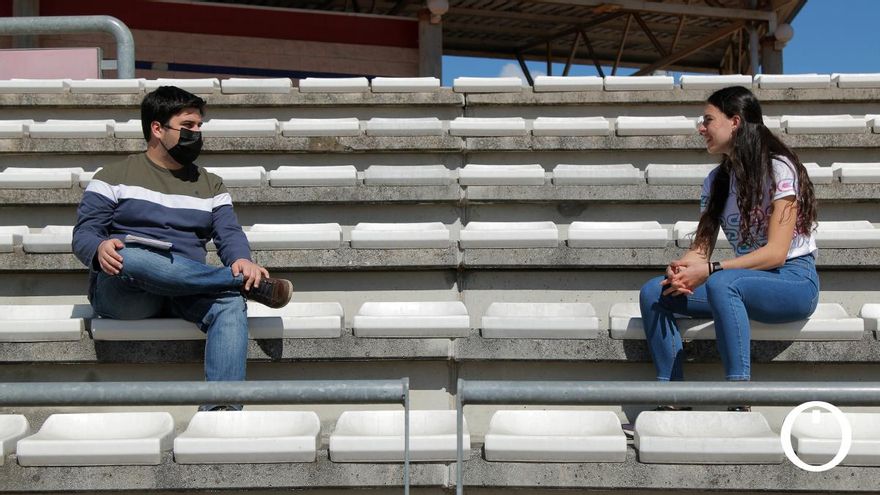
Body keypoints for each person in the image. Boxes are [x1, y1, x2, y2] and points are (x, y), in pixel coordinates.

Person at [73, 86, 293, 411]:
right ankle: (235, 283)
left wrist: (243, 260)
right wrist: (99, 247)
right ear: (157, 129)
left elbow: (228, 233)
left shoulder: (210, 184)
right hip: (127, 291)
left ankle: (221, 412)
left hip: (185, 289)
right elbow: (84, 234)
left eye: (199, 126)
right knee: (128, 254)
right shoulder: (113, 176)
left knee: (230, 305)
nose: (196, 133)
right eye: (187, 126)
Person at [639, 86, 819, 402]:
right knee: (656, 291)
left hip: (793, 282)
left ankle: (738, 396)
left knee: (723, 282)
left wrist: (712, 269)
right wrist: (681, 269)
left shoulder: (779, 167)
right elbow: (701, 250)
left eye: (708, 120)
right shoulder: (715, 180)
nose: (701, 128)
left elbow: (777, 253)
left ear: (734, 122)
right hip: (742, 282)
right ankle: (670, 398)